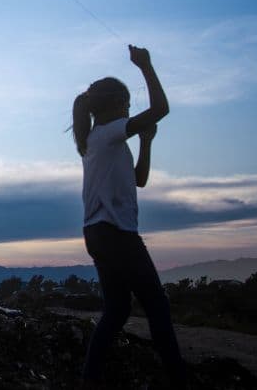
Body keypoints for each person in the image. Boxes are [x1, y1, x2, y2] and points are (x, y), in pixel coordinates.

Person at [74, 45, 186, 388]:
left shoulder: (100, 140)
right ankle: (178, 380)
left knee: (118, 310)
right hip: (115, 234)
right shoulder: (108, 134)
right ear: (113, 107)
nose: (129, 110)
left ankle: (90, 380)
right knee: (157, 306)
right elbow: (161, 109)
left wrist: (146, 143)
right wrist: (146, 66)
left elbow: (140, 180)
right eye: (126, 104)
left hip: (98, 234)